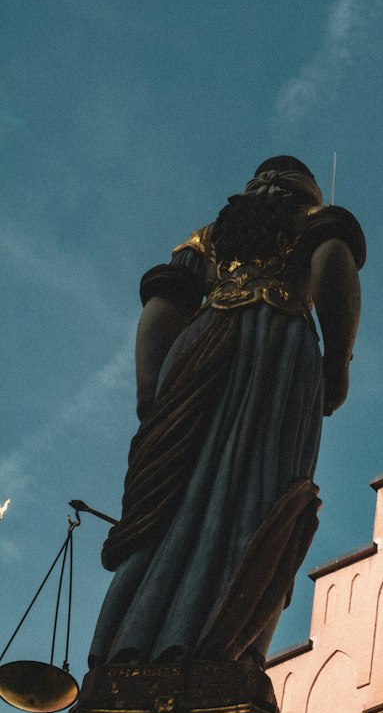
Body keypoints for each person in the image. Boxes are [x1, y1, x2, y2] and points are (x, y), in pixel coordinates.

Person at [89, 156, 364, 665]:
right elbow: (333, 263)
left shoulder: (206, 240)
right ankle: (231, 639)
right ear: (305, 196)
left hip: (198, 349)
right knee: (260, 491)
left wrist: (151, 395)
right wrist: (336, 364)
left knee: (173, 497)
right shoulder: (310, 223)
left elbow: (164, 305)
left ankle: (134, 636)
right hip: (277, 346)